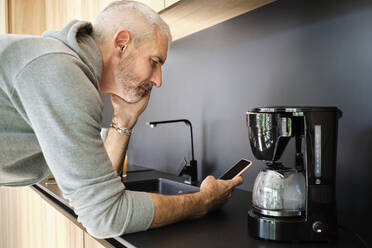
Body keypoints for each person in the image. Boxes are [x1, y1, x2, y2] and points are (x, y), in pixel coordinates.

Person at [0, 0, 243, 238]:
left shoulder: (58, 64)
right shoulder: (61, 73)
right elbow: (104, 215)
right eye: (155, 62)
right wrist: (203, 201)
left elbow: (96, 188)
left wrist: (124, 120)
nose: (158, 81)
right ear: (122, 43)